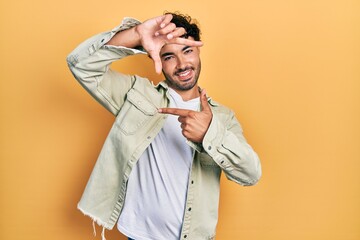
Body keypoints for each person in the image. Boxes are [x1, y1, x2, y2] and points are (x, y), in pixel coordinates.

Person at [67, 12, 262, 240]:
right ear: (156, 58)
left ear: (198, 50)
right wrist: (136, 34)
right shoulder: (137, 95)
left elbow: (251, 174)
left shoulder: (222, 117)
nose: (181, 64)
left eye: (187, 51)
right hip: (138, 236)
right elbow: (80, 64)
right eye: (169, 56)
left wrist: (209, 134)